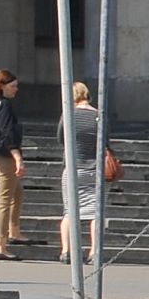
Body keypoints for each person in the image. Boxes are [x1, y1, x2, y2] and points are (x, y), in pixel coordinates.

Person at [0, 69, 33, 259]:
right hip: (3, 157)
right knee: (4, 200)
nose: (16, 90)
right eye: (13, 86)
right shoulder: (5, 105)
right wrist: (18, 157)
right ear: (2, 86)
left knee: (17, 193)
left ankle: (14, 231)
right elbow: (8, 132)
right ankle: (0, 245)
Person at [56, 80, 109, 264]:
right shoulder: (98, 116)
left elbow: (61, 138)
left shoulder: (69, 115)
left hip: (72, 168)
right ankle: (94, 252)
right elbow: (105, 142)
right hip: (94, 170)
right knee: (95, 213)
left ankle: (67, 251)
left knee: (70, 212)